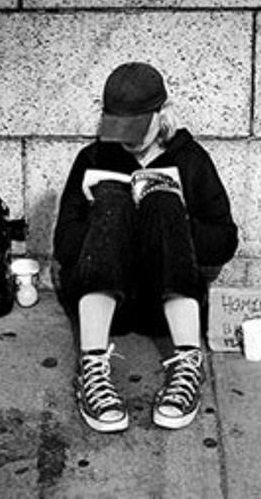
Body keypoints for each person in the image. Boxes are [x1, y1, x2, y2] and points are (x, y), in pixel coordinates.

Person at [53, 62, 238, 433]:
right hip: (108, 310)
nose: (128, 138)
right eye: (118, 125)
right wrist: (108, 221)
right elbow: (64, 244)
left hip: (163, 308)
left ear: (162, 115)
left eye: (136, 125)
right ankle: (92, 367)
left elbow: (224, 241)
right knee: (113, 199)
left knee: (163, 201)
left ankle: (188, 363)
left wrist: (175, 222)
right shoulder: (93, 159)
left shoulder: (190, 159)